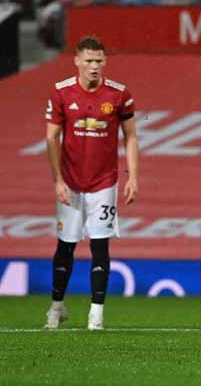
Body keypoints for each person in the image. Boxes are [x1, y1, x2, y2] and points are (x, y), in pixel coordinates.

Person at [44, 36, 139, 330]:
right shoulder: (61, 93)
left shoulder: (119, 94)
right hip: (71, 183)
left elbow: (131, 136)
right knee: (65, 246)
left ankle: (96, 313)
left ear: (104, 62)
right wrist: (58, 179)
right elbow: (51, 137)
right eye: (88, 60)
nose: (94, 66)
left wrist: (133, 175)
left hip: (104, 183)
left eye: (99, 60)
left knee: (100, 246)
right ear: (77, 61)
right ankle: (56, 307)